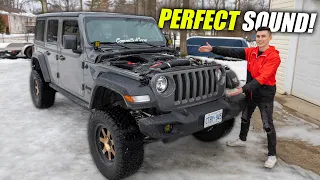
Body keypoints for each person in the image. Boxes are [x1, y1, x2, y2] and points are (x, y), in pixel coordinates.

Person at [198, 27, 281, 168]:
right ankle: (242, 140)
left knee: (267, 125)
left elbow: (262, 78)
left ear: (270, 38)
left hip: (265, 93)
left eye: (263, 36)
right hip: (251, 92)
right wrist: (213, 49)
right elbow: (232, 51)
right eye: (258, 36)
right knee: (245, 117)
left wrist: (242, 89)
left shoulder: (273, 56)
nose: (260, 39)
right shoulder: (252, 52)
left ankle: (272, 155)